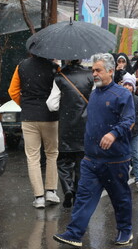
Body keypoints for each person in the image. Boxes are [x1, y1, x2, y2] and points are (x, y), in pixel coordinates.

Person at [53, 53, 135, 248]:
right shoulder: (94, 93)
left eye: (98, 70)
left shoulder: (122, 94)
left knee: (120, 198)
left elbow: (129, 121)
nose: (94, 74)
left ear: (110, 71)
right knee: (83, 197)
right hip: (91, 159)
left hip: (115, 160)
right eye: (93, 70)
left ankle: (125, 231)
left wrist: (113, 134)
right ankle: (74, 233)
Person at [8, 55, 61, 209]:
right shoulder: (54, 68)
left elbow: (12, 91)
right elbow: (59, 91)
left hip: (29, 117)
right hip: (50, 117)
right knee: (52, 154)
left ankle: (38, 198)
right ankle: (51, 191)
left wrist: (25, 104)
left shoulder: (21, 66)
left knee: (33, 157)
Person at [46, 60, 94, 208]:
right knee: (81, 161)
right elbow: (94, 100)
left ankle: (67, 188)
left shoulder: (60, 77)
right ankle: (78, 193)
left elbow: (52, 105)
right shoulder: (90, 75)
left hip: (66, 126)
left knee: (63, 161)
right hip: (85, 126)